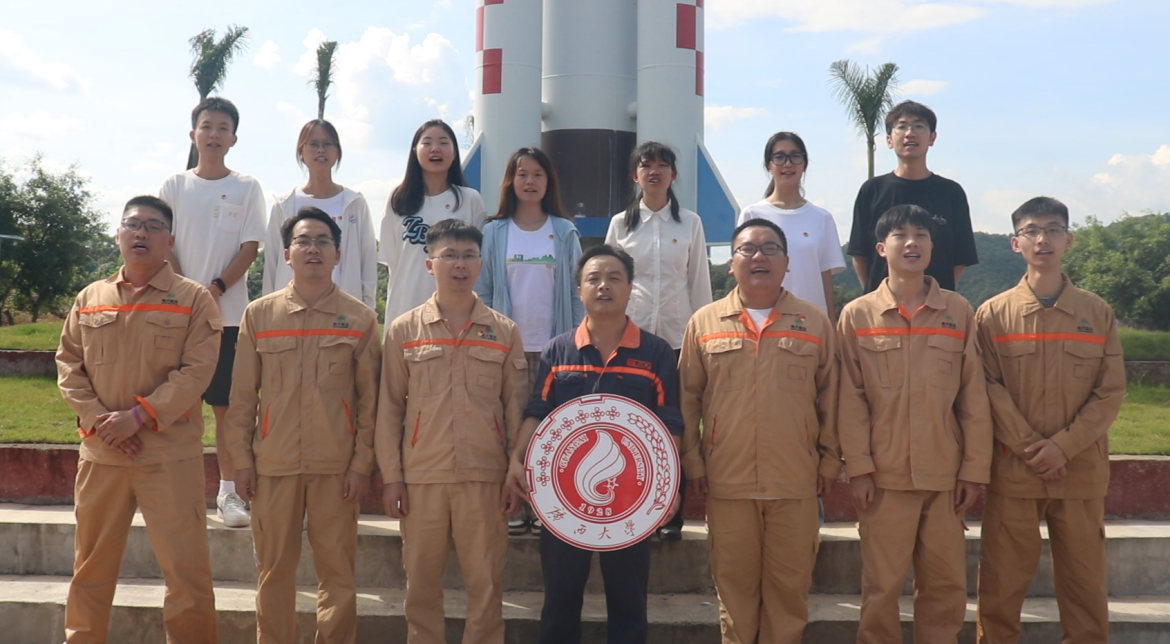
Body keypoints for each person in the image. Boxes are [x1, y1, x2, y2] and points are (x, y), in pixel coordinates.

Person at [56, 195, 222, 643]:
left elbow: (197, 372)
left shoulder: (193, 299)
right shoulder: (90, 298)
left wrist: (139, 417)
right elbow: (68, 365)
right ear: (118, 235)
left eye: (153, 226)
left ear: (170, 241)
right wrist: (100, 421)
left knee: (186, 572)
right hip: (103, 454)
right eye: (132, 224)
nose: (141, 233)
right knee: (90, 568)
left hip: (168, 456)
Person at [505, 244, 683, 644]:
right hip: (562, 498)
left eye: (614, 278)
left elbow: (669, 422)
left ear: (630, 288)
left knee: (629, 602)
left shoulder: (655, 352)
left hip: (633, 498)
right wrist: (517, 459)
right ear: (579, 290)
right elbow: (538, 411)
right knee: (559, 601)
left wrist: (668, 485)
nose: (604, 286)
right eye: (594, 279)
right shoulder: (559, 349)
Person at [679, 218, 841, 644]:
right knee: (735, 597)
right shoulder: (704, 323)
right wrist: (693, 461)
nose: (759, 257)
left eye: (771, 249)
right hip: (728, 482)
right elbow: (687, 400)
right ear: (731, 263)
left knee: (789, 597)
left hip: (795, 482)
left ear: (787, 263)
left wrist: (829, 460)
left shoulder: (814, 322)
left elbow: (833, 399)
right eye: (747, 249)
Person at [837, 204, 992, 643]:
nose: (912, 243)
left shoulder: (958, 311)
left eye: (921, 235)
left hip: (944, 477)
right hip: (883, 479)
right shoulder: (858, 315)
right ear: (880, 249)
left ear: (932, 246)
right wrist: (859, 468)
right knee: (881, 589)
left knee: (945, 589)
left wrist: (973, 470)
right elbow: (849, 399)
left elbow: (973, 396)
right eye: (901, 235)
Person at [974, 197, 1126, 644]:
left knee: (1085, 588)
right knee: (1000, 587)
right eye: (1032, 230)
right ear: (1015, 242)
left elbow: (1110, 391)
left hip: (1079, 471)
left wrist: (1063, 447)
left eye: (1054, 229)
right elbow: (986, 388)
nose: (1043, 239)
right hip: (1014, 471)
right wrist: (1031, 447)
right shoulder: (993, 314)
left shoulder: (1096, 312)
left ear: (1069, 240)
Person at [226, 207, 381, 644]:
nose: (313, 249)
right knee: (274, 570)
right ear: (286, 254)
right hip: (273, 465)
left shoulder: (359, 319)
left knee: (338, 572)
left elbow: (370, 404)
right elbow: (242, 398)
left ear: (337, 255)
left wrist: (361, 464)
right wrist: (241, 461)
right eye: (303, 241)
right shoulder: (259, 315)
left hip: (337, 466)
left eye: (322, 242)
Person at [377, 219, 528, 644]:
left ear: (481, 264)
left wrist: (513, 472)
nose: (459, 264)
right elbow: (389, 409)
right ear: (430, 264)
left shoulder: (503, 331)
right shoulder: (404, 330)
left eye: (468, 256)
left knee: (487, 586)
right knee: (421, 587)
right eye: (449, 256)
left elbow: (515, 410)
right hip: (422, 478)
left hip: (485, 477)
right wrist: (392, 477)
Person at [158, 96, 266, 528]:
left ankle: (229, 494)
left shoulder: (247, 187)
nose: (214, 134)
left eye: (223, 127)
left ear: (234, 138)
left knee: (226, 409)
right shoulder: (174, 186)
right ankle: (173, 489)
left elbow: (250, 247)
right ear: (193, 134)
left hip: (229, 318)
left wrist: (215, 289)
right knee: (174, 404)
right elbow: (164, 244)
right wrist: (187, 293)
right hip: (176, 316)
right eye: (207, 126)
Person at [605, 141, 712, 540]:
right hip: (631, 338)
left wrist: (704, 335)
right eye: (646, 165)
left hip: (678, 338)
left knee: (674, 424)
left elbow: (698, 281)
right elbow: (610, 279)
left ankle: (670, 515)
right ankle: (631, 507)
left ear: (673, 174)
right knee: (632, 423)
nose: (654, 171)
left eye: (662, 165)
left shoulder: (690, 223)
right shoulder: (621, 224)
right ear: (634, 175)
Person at [475, 146, 585, 534]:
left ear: (548, 181)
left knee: (550, 429)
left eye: (538, 174)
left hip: (554, 348)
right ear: (510, 181)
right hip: (508, 348)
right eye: (522, 174)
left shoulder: (564, 231)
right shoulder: (494, 232)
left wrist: (575, 340)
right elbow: (483, 290)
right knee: (510, 424)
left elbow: (576, 293)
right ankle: (513, 507)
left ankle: (543, 507)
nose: (530, 181)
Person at [846, 101, 978, 294]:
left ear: (932, 137)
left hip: (936, 305)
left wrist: (934, 294)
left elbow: (960, 257)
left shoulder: (951, 192)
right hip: (882, 306)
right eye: (901, 127)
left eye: (918, 126)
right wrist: (875, 297)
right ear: (889, 140)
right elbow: (859, 254)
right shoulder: (872, 190)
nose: (910, 133)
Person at [379, 119, 488, 324]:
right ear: (415, 151)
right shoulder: (397, 199)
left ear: (454, 153)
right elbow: (391, 260)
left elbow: (479, 261)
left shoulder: (470, 200)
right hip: (406, 310)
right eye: (427, 143)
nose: (435, 149)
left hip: (457, 315)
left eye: (443, 143)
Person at [263, 119, 378, 309]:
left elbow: (368, 262)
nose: (321, 150)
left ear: (337, 152)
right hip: (290, 311)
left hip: (344, 311)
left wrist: (367, 310)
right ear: (301, 152)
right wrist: (269, 310)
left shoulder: (355, 203)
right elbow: (271, 265)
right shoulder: (283, 205)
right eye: (313, 144)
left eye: (328, 144)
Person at [737, 131, 845, 320]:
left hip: (812, 323)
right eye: (779, 157)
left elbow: (825, 279)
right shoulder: (752, 215)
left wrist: (831, 325)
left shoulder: (822, 218)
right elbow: (743, 274)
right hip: (765, 321)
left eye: (795, 156)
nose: (787, 164)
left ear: (804, 163)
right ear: (768, 165)